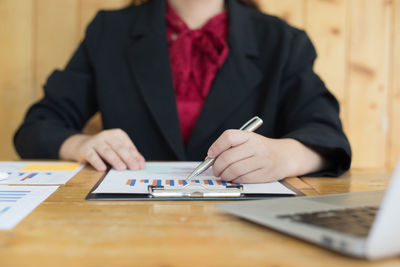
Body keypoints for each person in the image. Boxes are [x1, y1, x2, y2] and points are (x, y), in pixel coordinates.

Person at [14, 0, 351, 184]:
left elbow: (326, 133)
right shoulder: (109, 31)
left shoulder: (283, 41)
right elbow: (36, 127)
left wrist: (284, 156)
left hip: (250, 230)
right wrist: (81, 144)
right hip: (128, 228)